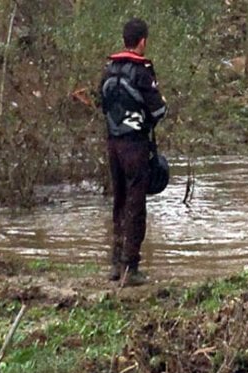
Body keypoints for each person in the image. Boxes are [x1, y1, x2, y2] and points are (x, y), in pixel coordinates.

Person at [100, 18, 167, 285]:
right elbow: (159, 111)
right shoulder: (142, 72)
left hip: (113, 144)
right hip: (135, 146)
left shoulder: (109, 69)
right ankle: (131, 268)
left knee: (119, 200)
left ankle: (116, 265)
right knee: (136, 204)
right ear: (142, 41)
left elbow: (101, 103)